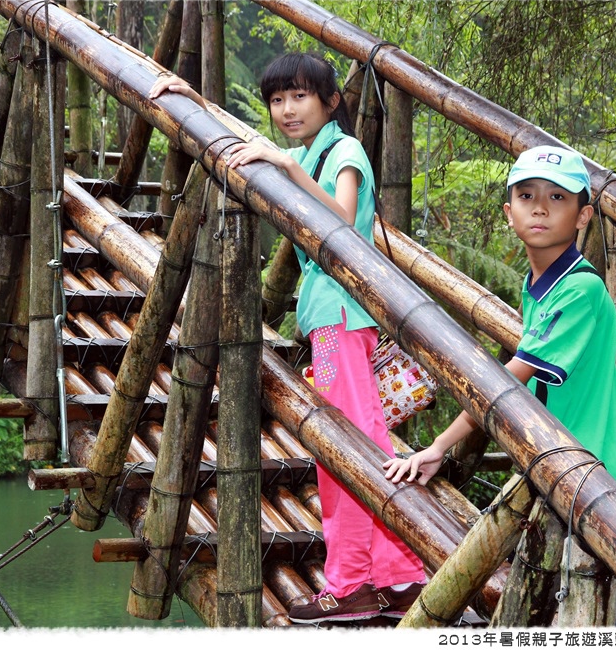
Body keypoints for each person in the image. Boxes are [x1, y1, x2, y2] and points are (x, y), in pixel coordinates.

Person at [151, 52, 427, 624]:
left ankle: (353, 584)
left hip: (342, 323)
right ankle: (397, 578)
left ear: (330, 101)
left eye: (299, 96)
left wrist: (289, 169)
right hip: (332, 322)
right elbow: (252, 144)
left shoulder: (342, 153)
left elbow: (343, 222)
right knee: (357, 449)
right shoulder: (306, 154)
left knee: (346, 455)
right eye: (277, 99)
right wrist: (195, 103)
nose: (285, 109)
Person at [383, 144, 616, 627]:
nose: (540, 207)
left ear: (583, 216)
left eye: (557, 197)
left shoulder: (581, 289)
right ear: (509, 213)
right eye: (526, 195)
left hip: (604, 489)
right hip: (566, 482)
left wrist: (440, 445)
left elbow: (510, 382)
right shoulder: (541, 284)